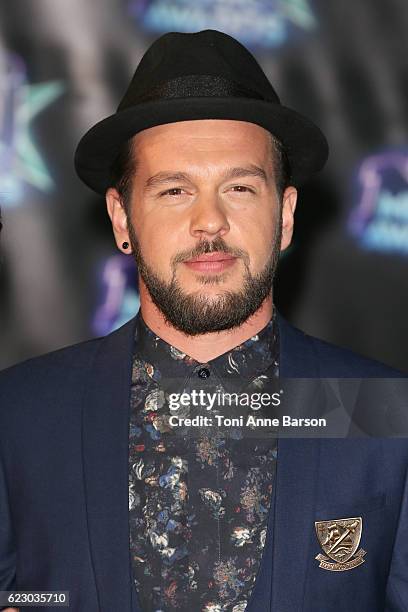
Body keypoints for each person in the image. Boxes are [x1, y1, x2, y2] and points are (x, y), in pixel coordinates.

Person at [0, 29, 407, 612]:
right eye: (173, 190)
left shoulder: (386, 415)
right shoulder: (19, 414)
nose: (209, 222)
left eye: (239, 187)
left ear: (285, 214)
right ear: (122, 216)